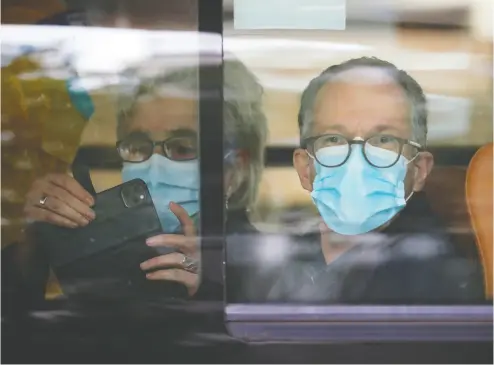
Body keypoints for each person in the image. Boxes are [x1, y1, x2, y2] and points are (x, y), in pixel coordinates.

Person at [13, 56, 267, 303]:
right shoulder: (104, 238)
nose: (153, 167)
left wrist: (207, 291)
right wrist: (33, 247)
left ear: (235, 168)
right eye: (138, 146)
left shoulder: (266, 266)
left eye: (183, 148)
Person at [268, 57, 485, 303]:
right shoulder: (275, 259)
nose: (357, 162)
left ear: (420, 170)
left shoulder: (433, 277)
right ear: (304, 167)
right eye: (334, 139)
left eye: (383, 140)